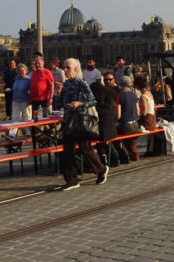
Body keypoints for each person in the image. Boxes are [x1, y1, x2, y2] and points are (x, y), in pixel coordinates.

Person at [58, 58, 108, 190]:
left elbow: (93, 101)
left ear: (75, 69)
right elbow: (60, 104)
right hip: (68, 120)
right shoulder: (66, 84)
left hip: (80, 120)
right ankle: (72, 180)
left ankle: (101, 169)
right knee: (67, 151)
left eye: (68, 67)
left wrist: (80, 103)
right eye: (64, 67)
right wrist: (58, 95)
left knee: (85, 149)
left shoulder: (82, 83)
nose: (65, 70)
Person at [91, 72, 123, 167]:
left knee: (94, 137)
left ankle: (102, 157)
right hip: (111, 127)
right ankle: (107, 156)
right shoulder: (107, 94)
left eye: (110, 79)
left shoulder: (115, 92)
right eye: (105, 80)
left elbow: (118, 110)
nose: (107, 82)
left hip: (110, 126)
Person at [135, 75, 161, 157]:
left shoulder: (143, 96)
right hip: (153, 118)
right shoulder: (149, 93)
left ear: (138, 86)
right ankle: (150, 150)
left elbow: (144, 112)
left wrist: (137, 113)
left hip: (147, 119)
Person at [117, 76, 140, 163]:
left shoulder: (120, 96)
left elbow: (118, 115)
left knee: (122, 142)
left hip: (126, 125)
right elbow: (138, 111)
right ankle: (135, 157)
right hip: (135, 124)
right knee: (133, 143)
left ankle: (127, 158)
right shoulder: (134, 95)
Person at [28, 53, 54, 119]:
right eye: (36, 64)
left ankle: (46, 128)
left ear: (43, 63)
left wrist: (51, 98)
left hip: (44, 99)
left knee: (45, 117)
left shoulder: (47, 72)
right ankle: (36, 128)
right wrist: (30, 97)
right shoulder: (33, 73)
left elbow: (52, 85)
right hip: (35, 100)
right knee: (35, 117)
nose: (37, 65)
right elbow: (32, 86)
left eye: (39, 63)